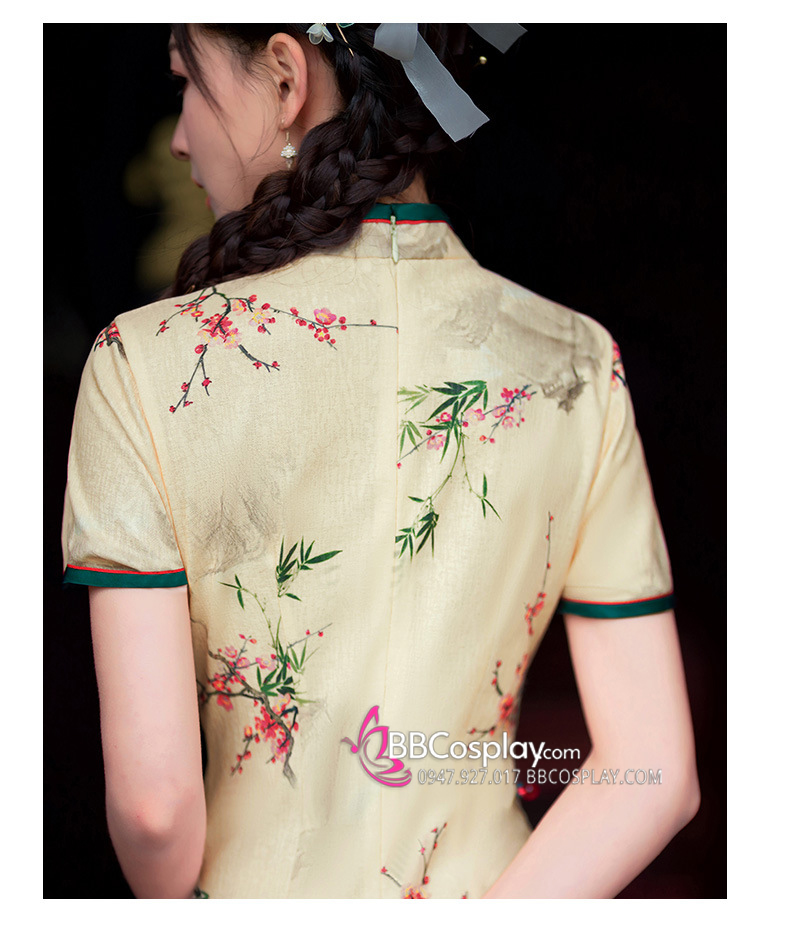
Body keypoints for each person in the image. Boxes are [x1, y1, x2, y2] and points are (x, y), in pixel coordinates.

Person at [61, 23, 700, 899]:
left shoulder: (144, 363)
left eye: (186, 83)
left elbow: (155, 812)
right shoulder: (576, 363)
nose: (178, 136)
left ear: (285, 78)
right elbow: (653, 772)